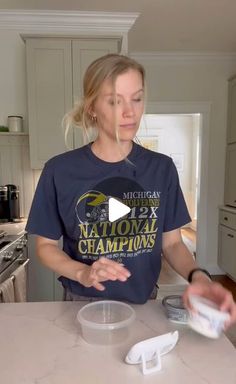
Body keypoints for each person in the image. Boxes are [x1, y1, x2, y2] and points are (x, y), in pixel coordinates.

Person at [26, 53, 236, 327]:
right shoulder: (60, 170)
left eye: (136, 98)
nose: (130, 112)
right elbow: (44, 246)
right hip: (81, 300)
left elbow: (172, 243)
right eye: (114, 101)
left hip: (145, 300)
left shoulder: (161, 169)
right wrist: (83, 272)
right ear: (92, 107)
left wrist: (199, 276)